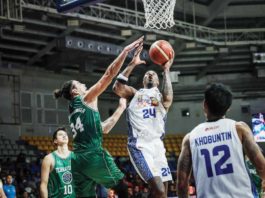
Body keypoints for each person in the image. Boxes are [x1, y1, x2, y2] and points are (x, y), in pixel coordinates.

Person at [53, 36, 144, 198]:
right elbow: (109, 75)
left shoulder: (72, 110)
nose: (83, 85)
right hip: (92, 155)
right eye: (79, 84)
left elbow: (104, 129)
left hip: (77, 160)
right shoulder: (85, 98)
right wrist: (125, 52)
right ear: (75, 92)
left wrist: (121, 108)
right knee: (123, 189)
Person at [177, 83, 265, 198]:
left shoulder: (190, 138)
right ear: (228, 108)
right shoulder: (239, 129)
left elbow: (182, 183)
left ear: (204, 104)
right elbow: (261, 167)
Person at [112, 43, 174, 198]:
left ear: (159, 82)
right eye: (147, 74)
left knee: (163, 192)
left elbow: (168, 98)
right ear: (143, 81)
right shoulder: (135, 94)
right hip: (140, 146)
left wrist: (166, 70)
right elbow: (117, 88)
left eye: (153, 74)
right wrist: (132, 64)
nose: (150, 75)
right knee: (159, 190)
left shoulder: (160, 98)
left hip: (158, 146)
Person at [40, 127, 75, 198]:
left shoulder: (75, 156)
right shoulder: (49, 159)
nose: (64, 136)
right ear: (55, 140)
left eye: (65, 134)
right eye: (61, 134)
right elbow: (43, 185)